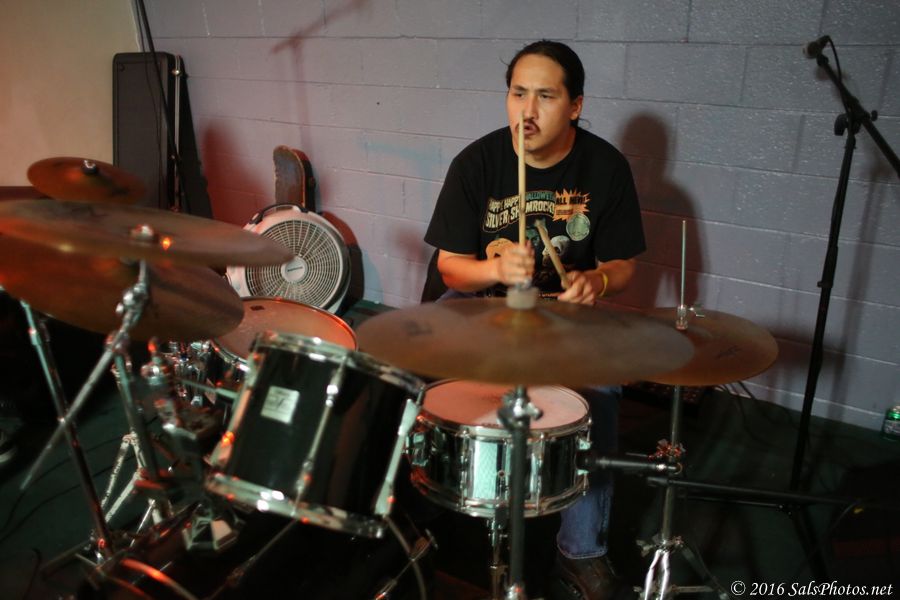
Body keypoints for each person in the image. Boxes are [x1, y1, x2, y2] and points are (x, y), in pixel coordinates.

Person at [424, 40, 645, 599]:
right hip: (480, 303)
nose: (527, 110)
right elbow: (450, 267)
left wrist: (597, 281)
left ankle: (581, 551)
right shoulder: (476, 163)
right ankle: (427, 508)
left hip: (561, 312)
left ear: (575, 105)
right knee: (410, 361)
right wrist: (494, 267)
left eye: (545, 96)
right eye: (517, 93)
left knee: (601, 388)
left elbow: (623, 266)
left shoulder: (605, 168)